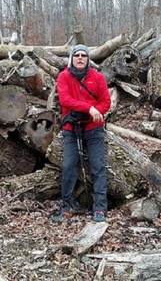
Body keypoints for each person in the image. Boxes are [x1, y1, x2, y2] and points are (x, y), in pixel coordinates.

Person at [53, 44, 112, 222]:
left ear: (88, 59)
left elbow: (106, 102)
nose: (80, 58)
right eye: (76, 55)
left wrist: (96, 112)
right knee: (69, 166)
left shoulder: (97, 77)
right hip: (71, 129)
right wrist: (89, 108)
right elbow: (65, 100)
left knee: (98, 167)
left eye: (83, 55)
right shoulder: (64, 76)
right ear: (71, 58)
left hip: (94, 128)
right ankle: (68, 205)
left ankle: (100, 207)